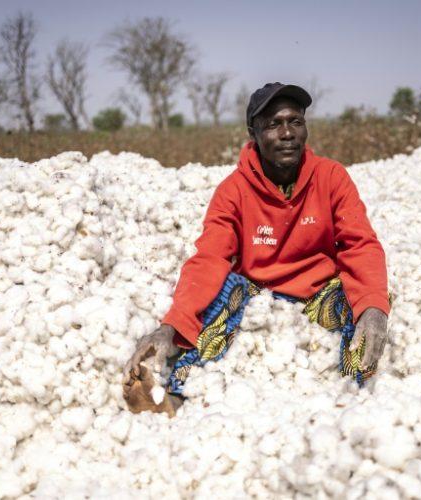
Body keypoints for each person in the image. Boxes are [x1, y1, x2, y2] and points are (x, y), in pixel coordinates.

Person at [122, 83, 391, 416]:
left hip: (319, 292)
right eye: (274, 124)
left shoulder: (332, 178)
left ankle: (355, 397)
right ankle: (176, 395)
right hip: (257, 294)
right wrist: (171, 326)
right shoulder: (233, 190)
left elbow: (360, 244)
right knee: (223, 292)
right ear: (254, 132)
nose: (287, 133)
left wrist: (374, 307)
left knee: (365, 303)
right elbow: (210, 257)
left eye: (295, 121)